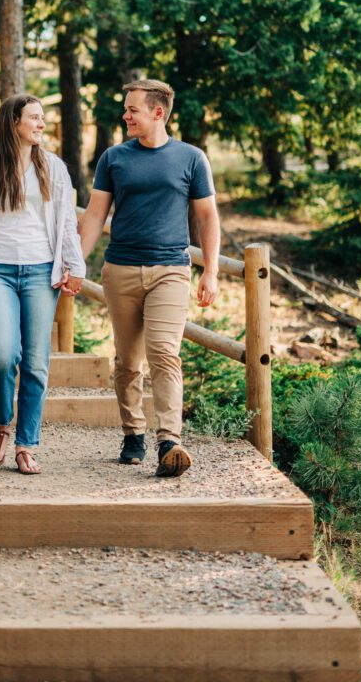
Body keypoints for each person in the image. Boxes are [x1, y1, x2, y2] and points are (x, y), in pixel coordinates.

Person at [78, 79, 219, 477]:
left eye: (132, 110)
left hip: (171, 271)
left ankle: (169, 440)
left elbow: (208, 217)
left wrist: (210, 270)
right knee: (127, 361)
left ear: (158, 112)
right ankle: (133, 433)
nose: (125, 116)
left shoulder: (192, 159)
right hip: (120, 269)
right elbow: (94, 216)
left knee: (164, 352)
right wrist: (75, 265)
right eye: (126, 109)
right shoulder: (113, 158)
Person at [0, 94, 85, 475]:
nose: (41, 124)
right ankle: (0, 426)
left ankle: (26, 443)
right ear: (13, 123)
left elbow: (64, 224)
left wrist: (74, 266)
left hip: (42, 272)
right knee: (3, 352)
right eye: (35, 118)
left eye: (43, 118)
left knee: (37, 361)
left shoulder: (54, 168)